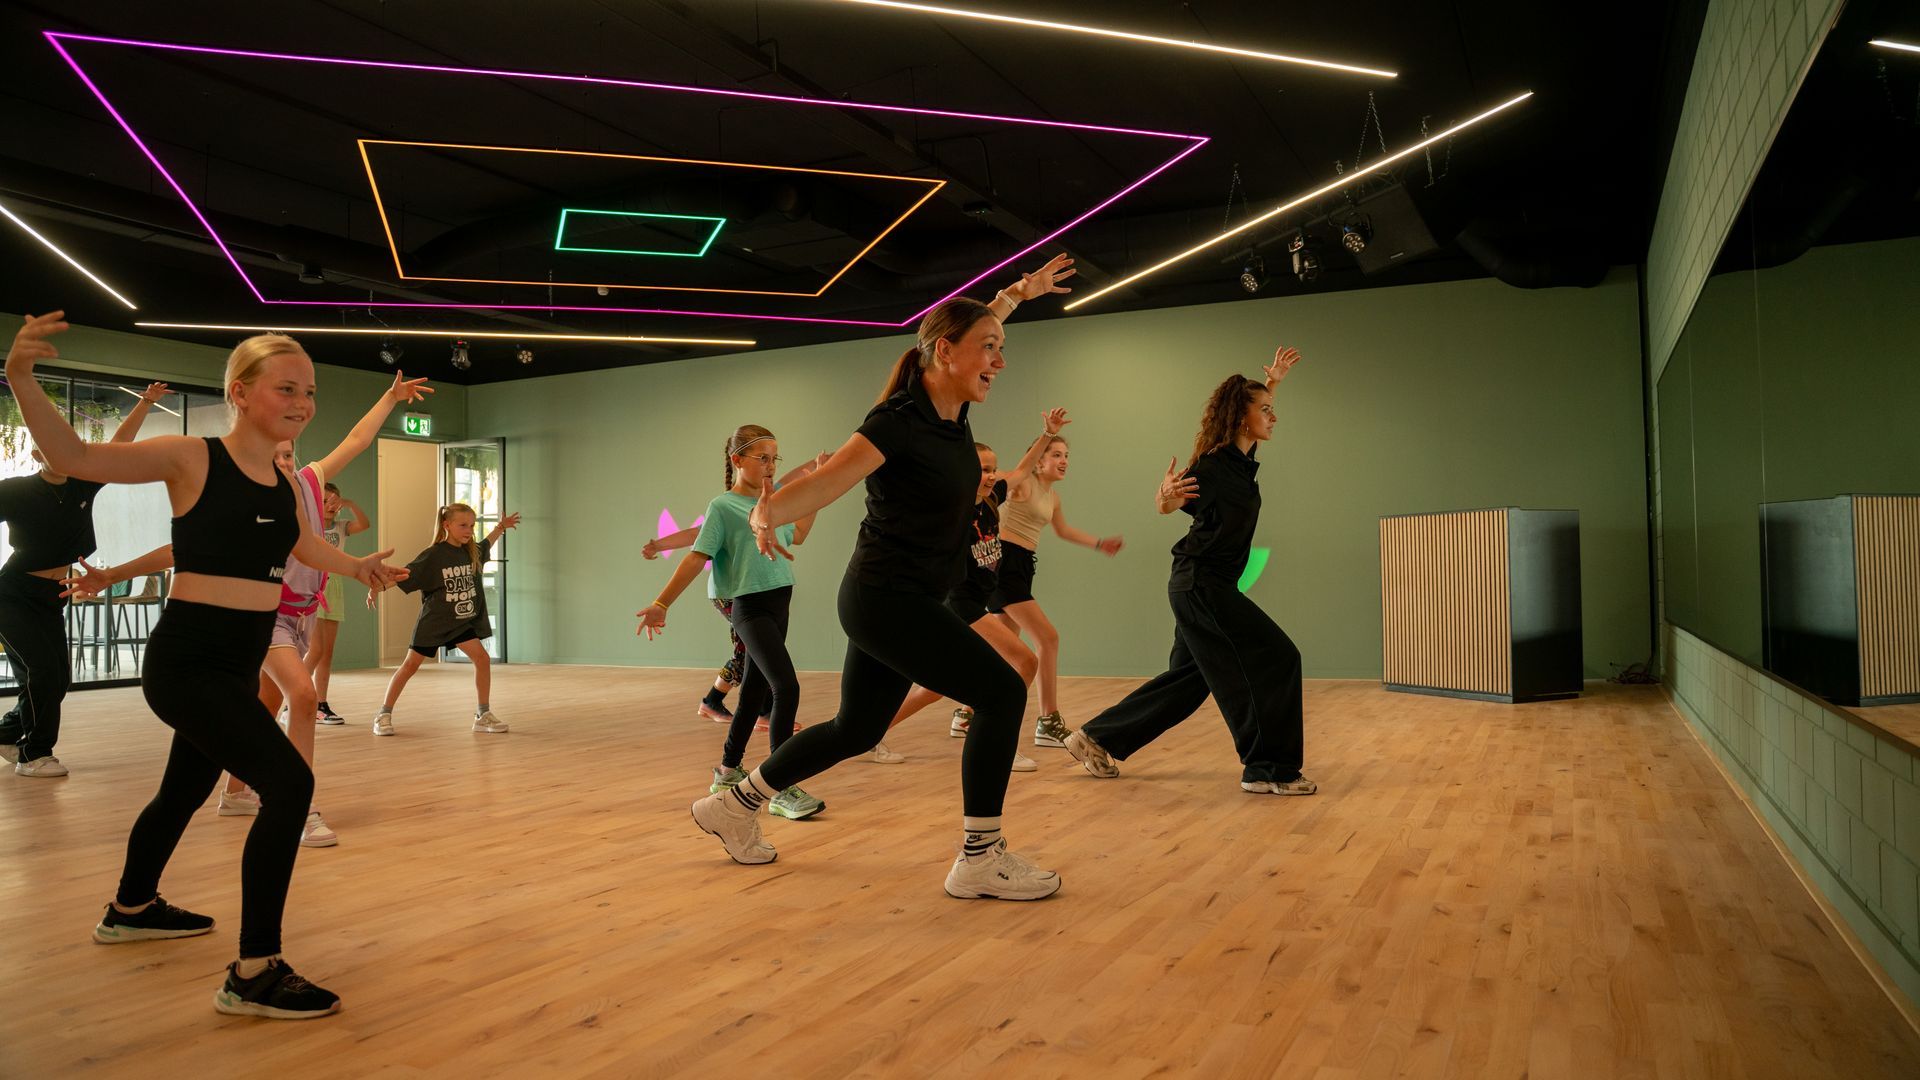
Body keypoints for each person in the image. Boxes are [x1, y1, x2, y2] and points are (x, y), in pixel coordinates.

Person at [8, 313, 404, 1019]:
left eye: (309, 391)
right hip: (187, 662)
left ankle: (131, 906)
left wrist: (358, 566)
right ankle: (254, 972)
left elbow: (305, 548)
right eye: (288, 388)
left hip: (234, 663)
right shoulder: (191, 457)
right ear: (242, 391)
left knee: (184, 790)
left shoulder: (283, 484)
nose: (303, 403)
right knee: (288, 783)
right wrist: (20, 379)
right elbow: (75, 453)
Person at [687, 254, 1076, 901]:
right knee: (1003, 691)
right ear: (946, 353)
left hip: (897, 599)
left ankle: (735, 804)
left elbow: (968, 328)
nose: (999, 362)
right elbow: (828, 480)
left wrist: (1016, 293)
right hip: (884, 599)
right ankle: (979, 856)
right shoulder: (896, 423)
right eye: (989, 350)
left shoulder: (951, 416)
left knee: (858, 728)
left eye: (1001, 350)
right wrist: (765, 510)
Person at [1065, 347, 1317, 798]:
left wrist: (1273, 382)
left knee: (1189, 681)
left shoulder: (1241, 461)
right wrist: (1164, 496)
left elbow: (1253, 420)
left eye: (1272, 409)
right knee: (1280, 657)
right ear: (1242, 417)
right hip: (1202, 585)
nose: (1273, 417)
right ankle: (1267, 768)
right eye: (1265, 410)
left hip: (1201, 586)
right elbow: (1170, 502)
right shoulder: (1213, 466)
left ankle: (1097, 737)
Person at [638, 430, 825, 819]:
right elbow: (695, 557)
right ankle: (779, 786)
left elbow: (800, 534)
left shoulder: (774, 504)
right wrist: (661, 603)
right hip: (749, 607)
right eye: (762, 458)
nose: (771, 467)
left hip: (780, 601)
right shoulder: (722, 507)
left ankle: (727, 771)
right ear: (738, 461)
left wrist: (818, 491)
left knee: (754, 691)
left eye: (775, 459)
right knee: (786, 686)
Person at [872, 417, 1067, 767]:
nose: (991, 475)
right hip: (961, 607)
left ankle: (869, 732)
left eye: (993, 469)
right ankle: (996, 743)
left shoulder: (992, 498)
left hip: (974, 604)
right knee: (1024, 661)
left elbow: (1022, 470)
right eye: (983, 469)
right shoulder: (953, 511)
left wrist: (1047, 435)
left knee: (934, 687)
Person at [0, 381, 171, 776]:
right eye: (49, 446)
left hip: (53, 593)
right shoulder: (16, 491)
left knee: (58, 679)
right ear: (36, 452)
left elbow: (119, 445)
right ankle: (35, 754)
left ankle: (7, 733)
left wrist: (145, 403)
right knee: (40, 672)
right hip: (12, 594)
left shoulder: (83, 483)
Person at [985, 428, 1123, 749]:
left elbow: (1063, 531)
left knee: (1004, 650)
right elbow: (1008, 474)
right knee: (1048, 638)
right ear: (1039, 460)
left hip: (1022, 567)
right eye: (1055, 455)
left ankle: (967, 712)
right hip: (1003, 566)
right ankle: (1049, 721)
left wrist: (1099, 543)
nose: (1063, 461)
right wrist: (1045, 435)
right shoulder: (1022, 484)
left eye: (1066, 456)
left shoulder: (1052, 497)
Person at [368, 503, 520, 735]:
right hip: (435, 622)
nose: (468, 530)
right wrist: (377, 588)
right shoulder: (434, 555)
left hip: (460, 622)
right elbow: (405, 576)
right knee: (409, 666)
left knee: (482, 659)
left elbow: (488, 542)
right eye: (462, 525)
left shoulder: (472, 552)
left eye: (471, 525)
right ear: (447, 525)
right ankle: (383, 714)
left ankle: (483, 714)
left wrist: (501, 526)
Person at [308, 481, 370, 725]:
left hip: (334, 589)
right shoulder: (311, 527)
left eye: (334, 502)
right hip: (314, 587)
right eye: (324, 501)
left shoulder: (342, 527)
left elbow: (365, 524)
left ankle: (320, 704)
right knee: (315, 649)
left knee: (327, 653)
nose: (329, 506)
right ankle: (295, 701)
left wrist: (350, 503)